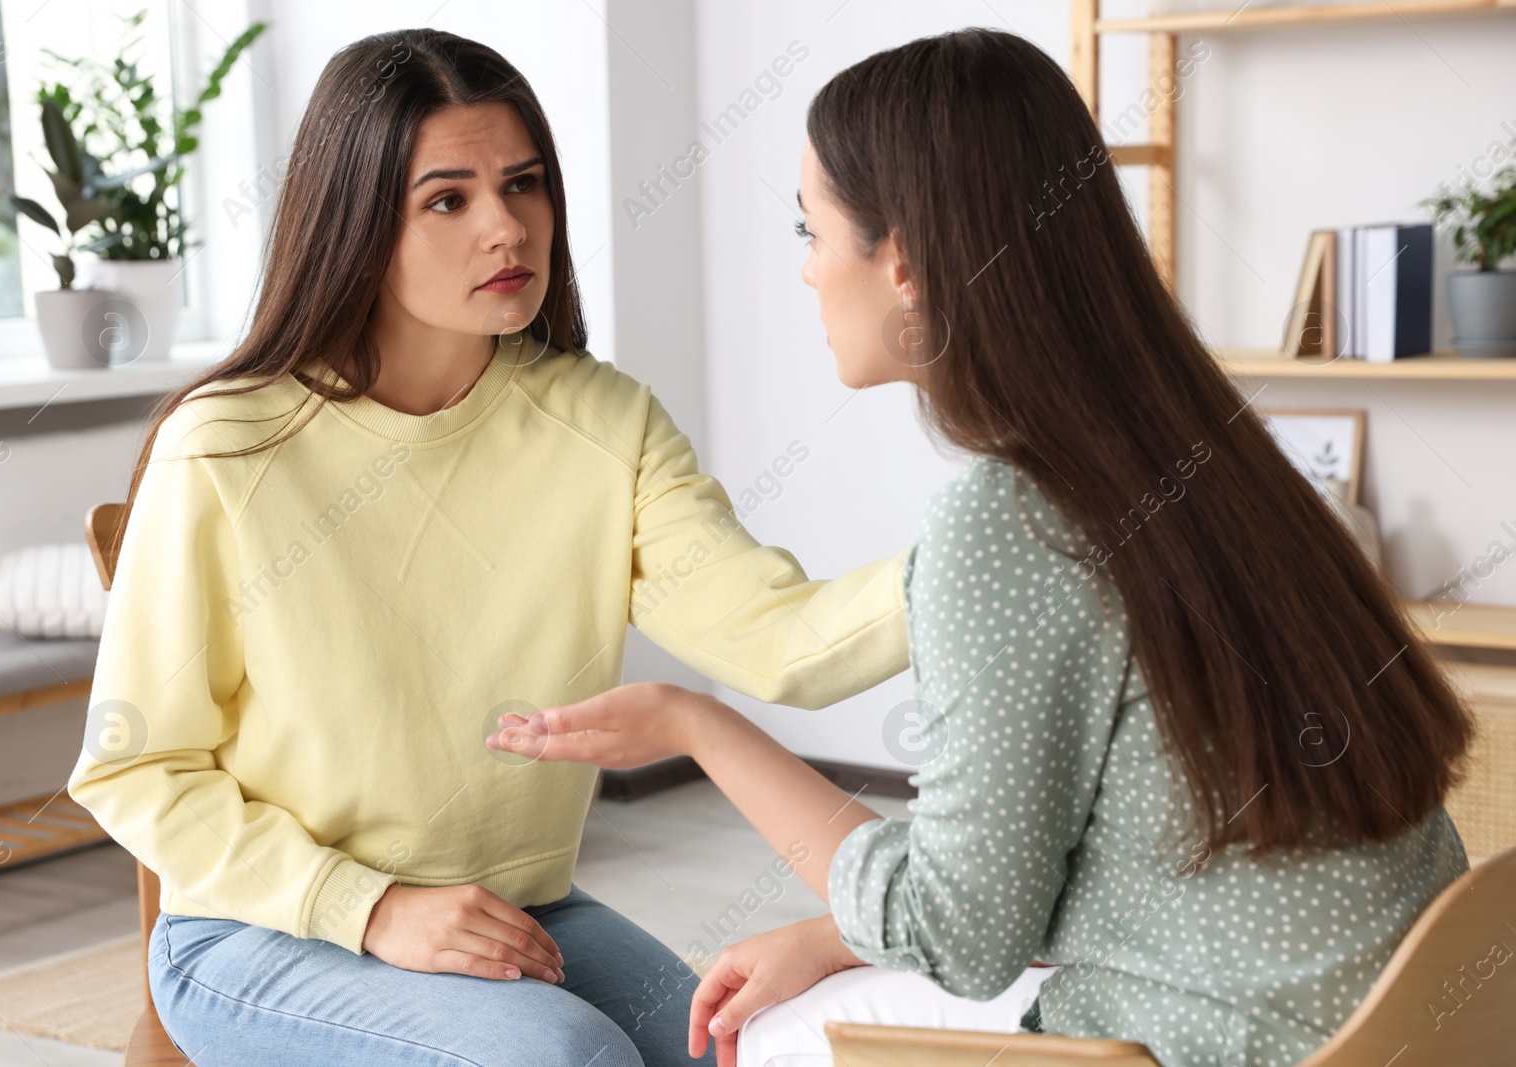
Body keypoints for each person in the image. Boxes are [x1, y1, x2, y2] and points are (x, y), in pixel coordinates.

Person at [487, 28, 1475, 1067]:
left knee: (761, 1036)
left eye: (808, 230)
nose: (808, 271)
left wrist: (698, 723)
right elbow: (1098, 855)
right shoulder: (1210, 453)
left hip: (1214, 1041)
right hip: (1395, 1023)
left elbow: (958, 937)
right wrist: (835, 936)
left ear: (902, 258)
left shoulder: (1003, 522)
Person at [65, 28, 912, 1067]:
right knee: (560, 1054)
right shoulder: (229, 444)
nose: (506, 227)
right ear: (357, 219)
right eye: (448, 198)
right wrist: (368, 905)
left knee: (741, 1047)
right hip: (259, 931)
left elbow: (784, 641)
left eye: (523, 184)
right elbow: (135, 767)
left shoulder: (602, 423)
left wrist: (1006, 552)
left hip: (512, 908)